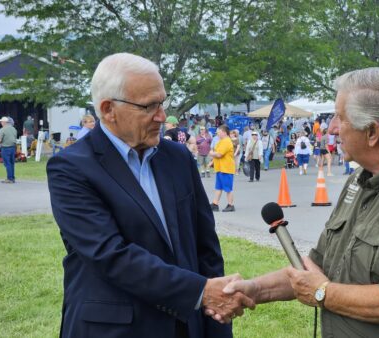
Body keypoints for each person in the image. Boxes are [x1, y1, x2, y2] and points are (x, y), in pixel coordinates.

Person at [218, 68, 379, 337]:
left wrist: (322, 292)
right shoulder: (359, 180)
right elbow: (317, 268)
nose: (331, 128)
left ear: (373, 132)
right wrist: (254, 290)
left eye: (340, 118)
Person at [46, 53, 252, 338]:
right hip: (115, 329)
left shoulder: (178, 158)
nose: (162, 116)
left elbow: (205, 247)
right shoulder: (71, 168)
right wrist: (200, 292)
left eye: (162, 102)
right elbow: (110, 255)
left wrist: (217, 319)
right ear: (108, 110)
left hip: (187, 326)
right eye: (149, 106)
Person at [209, 125, 236, 212]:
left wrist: (211, 153)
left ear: (224, 132)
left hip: (226, 168)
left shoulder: (226, 141)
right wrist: (212, 162)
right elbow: (216, 153)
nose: (217, 133)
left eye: (219, 132)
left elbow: (219, 154)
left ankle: (230, 205)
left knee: (228, 188)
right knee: (218, 187)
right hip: (220, 168)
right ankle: (215, 204)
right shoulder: (221, 141)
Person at [0, 116, 17, 183]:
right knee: (12, 163)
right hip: (13, 147)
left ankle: (9, 178)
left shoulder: (2, 129)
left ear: (4, 122)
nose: (1, 123)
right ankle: (12, 177)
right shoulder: (14, 129)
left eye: (2, 122)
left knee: (7, 163)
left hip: (5, 148)